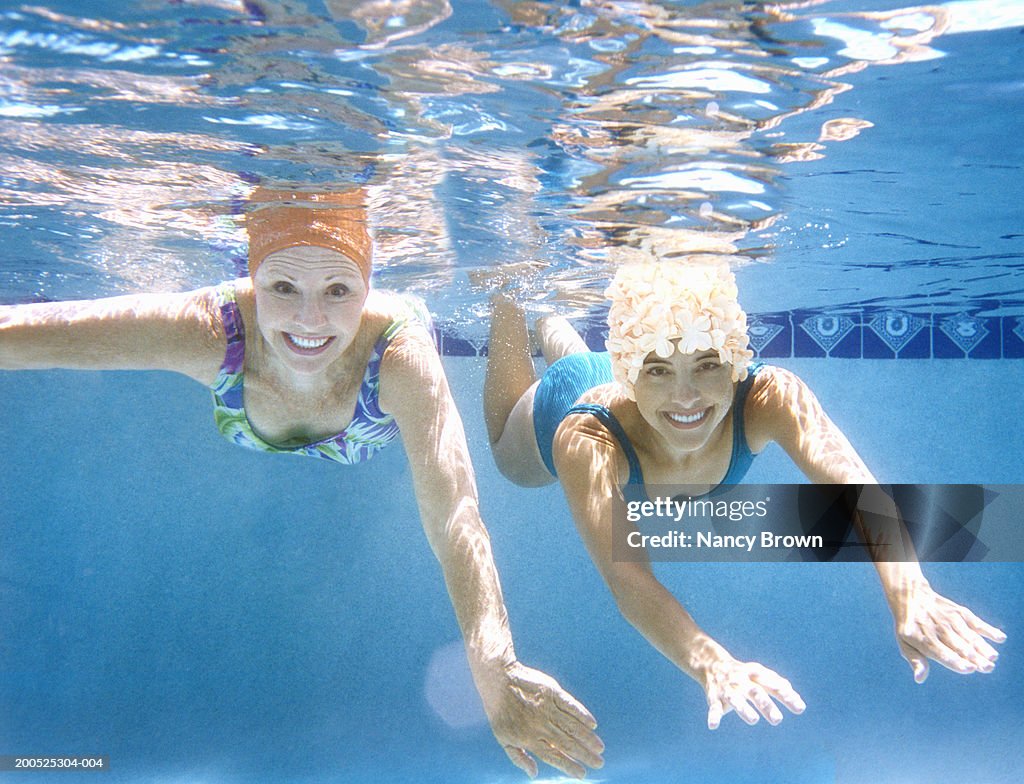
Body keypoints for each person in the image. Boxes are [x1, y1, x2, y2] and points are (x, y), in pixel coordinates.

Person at [0, 188, 604, 780]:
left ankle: (513, 306)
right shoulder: (212, 330)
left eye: (338, 290)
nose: (309, 321)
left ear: (368, 289)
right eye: (282, 288)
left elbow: (456, 517)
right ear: (251, 282)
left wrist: (494, 667)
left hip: (383, 395)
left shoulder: (399, 355)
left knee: (516, 462)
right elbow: (39, 333)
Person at [483, 260, 1006, 731]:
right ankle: (511, 293)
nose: (686, 396)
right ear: (631, 373)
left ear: (735, 360)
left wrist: (908, 591)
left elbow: (856, 488)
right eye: (659, 369)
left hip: (618, 372)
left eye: (707, 364)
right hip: (567, 398)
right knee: (514, 467)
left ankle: (556, 326)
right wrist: (711, 662)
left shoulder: (769, 396)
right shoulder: (584, 440)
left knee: (595, 356)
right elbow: (628, 579)